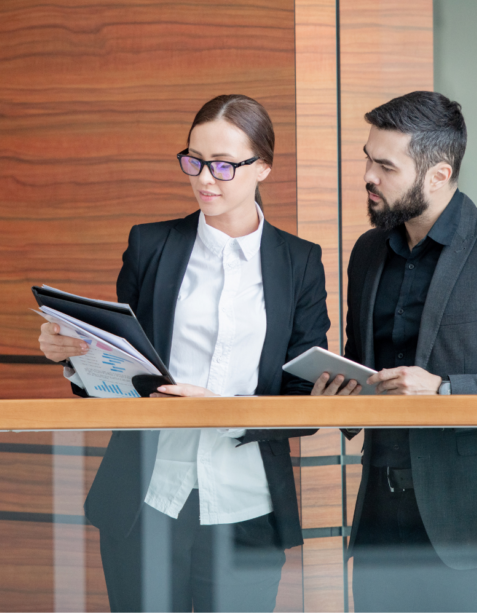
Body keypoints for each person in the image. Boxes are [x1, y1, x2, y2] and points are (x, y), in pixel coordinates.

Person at [38, 94, 330, 612]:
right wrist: (73, 356)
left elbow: (304, 399)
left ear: (263, 167)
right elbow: (117, 371)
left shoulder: (300, 262)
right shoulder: (151, 246)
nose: (204, 179)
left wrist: (222, 409)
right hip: (147, 500)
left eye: (223, 165)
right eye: (193, 160)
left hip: (247, 505)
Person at [313, 91, 477, 612]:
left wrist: (445, 390)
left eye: (385, 166)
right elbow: (364, 368)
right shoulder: (368, 252)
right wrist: (341, 393)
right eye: (367, 158)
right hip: (381, 527)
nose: (368, 175)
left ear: (437, 175)